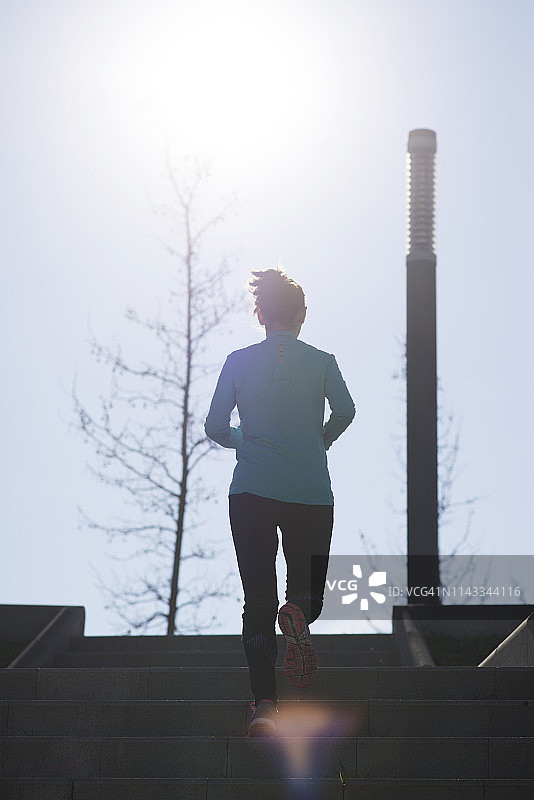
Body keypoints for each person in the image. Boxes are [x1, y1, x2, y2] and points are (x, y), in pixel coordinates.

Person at [204, 267, 356, 736]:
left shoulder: (236, 360)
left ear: (260, 313)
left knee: (257, 599)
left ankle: (265, 704)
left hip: (251, 490)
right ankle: (299, 614)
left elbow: (213, 427)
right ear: (302, 315)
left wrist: (243, 439)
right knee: (306, 594)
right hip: (309, 490)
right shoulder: (324, 360)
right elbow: (346, 410)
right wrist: (320, 442)